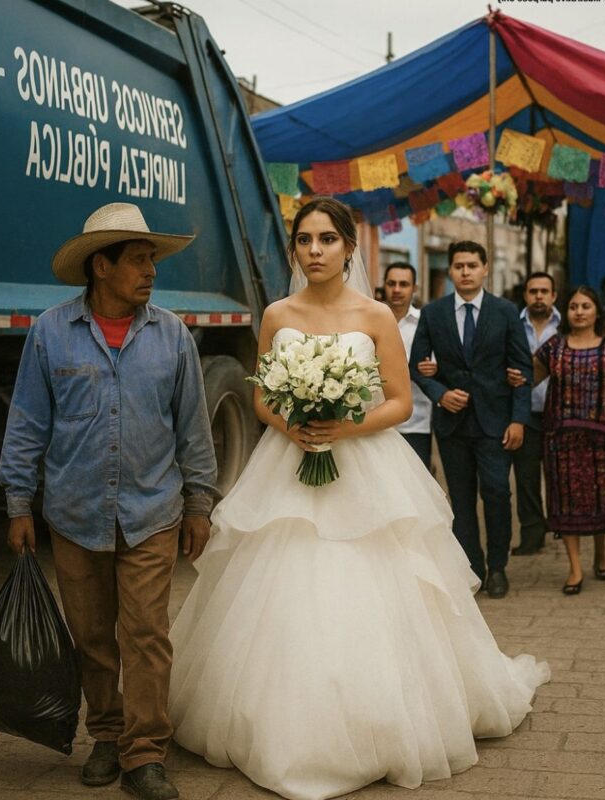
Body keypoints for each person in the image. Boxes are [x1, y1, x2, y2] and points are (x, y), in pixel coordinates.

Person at [167, 197, 549, 800]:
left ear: (349, 248)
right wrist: (290, 422)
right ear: (294, 249)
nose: (314, 251)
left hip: (363, 462)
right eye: (303, 240)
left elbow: (398, 401)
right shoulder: (276, 314)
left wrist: (344, 425)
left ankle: (386, 718)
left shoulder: (375, 316)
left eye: (326, 239)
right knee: (282, 578)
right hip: (289, 462)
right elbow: (263, 397)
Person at [0, 203, 217, 800]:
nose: (151, 271)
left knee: (146, 634)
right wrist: (18, 503)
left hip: (152, 511)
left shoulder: (172, 335)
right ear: (102, 266)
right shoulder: (49, 332)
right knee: (92, 634)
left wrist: (199, 502)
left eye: (152, 259)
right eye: (139, 259)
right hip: (75, 512)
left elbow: (193, 427)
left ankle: (145, 754)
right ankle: (106, 734)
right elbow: (27, 423)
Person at [410, 241, 532, 599]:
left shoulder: (506, 312)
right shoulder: (433, 314)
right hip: (452, 425)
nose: (465, 271)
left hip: (496, 422)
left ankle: (498, 568)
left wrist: (519, 419)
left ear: (484, 269)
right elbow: (417, 366)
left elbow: (522, 368)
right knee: (461, 500)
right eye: (459, 265)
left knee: (497, 492)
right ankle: (472, 568)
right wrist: (439, 393)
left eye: (472, 265)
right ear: (450, 271)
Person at [532, 286, 605, 595]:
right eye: (573, 306)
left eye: (585, 306)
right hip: (561, 441)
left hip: (603, 440)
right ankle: (575, 569)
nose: (579, 311)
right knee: (566, 505)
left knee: (600, 500)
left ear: (597, 312)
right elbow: (529, 378)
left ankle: (600, 553)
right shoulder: (553, 348)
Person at [509, 272, 561, 556]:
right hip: (524, 412)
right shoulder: (512, 325)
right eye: (533, 291)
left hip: (560, 413)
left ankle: (562, 526)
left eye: (544, 291)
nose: (538, 296)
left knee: (559, 474)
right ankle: (532, 532)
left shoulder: (566, 327)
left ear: (553, 296)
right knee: (526, 477)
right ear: (525, 295)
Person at [382, 262, 433, 468]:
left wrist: (433, 369)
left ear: (414, 288)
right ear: (383, 285)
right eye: (391, 283)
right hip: (376, 419)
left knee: (416, 484)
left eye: (403, 284)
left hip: (416, 420)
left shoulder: (426, 322)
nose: (396, 290)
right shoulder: (371, 319)